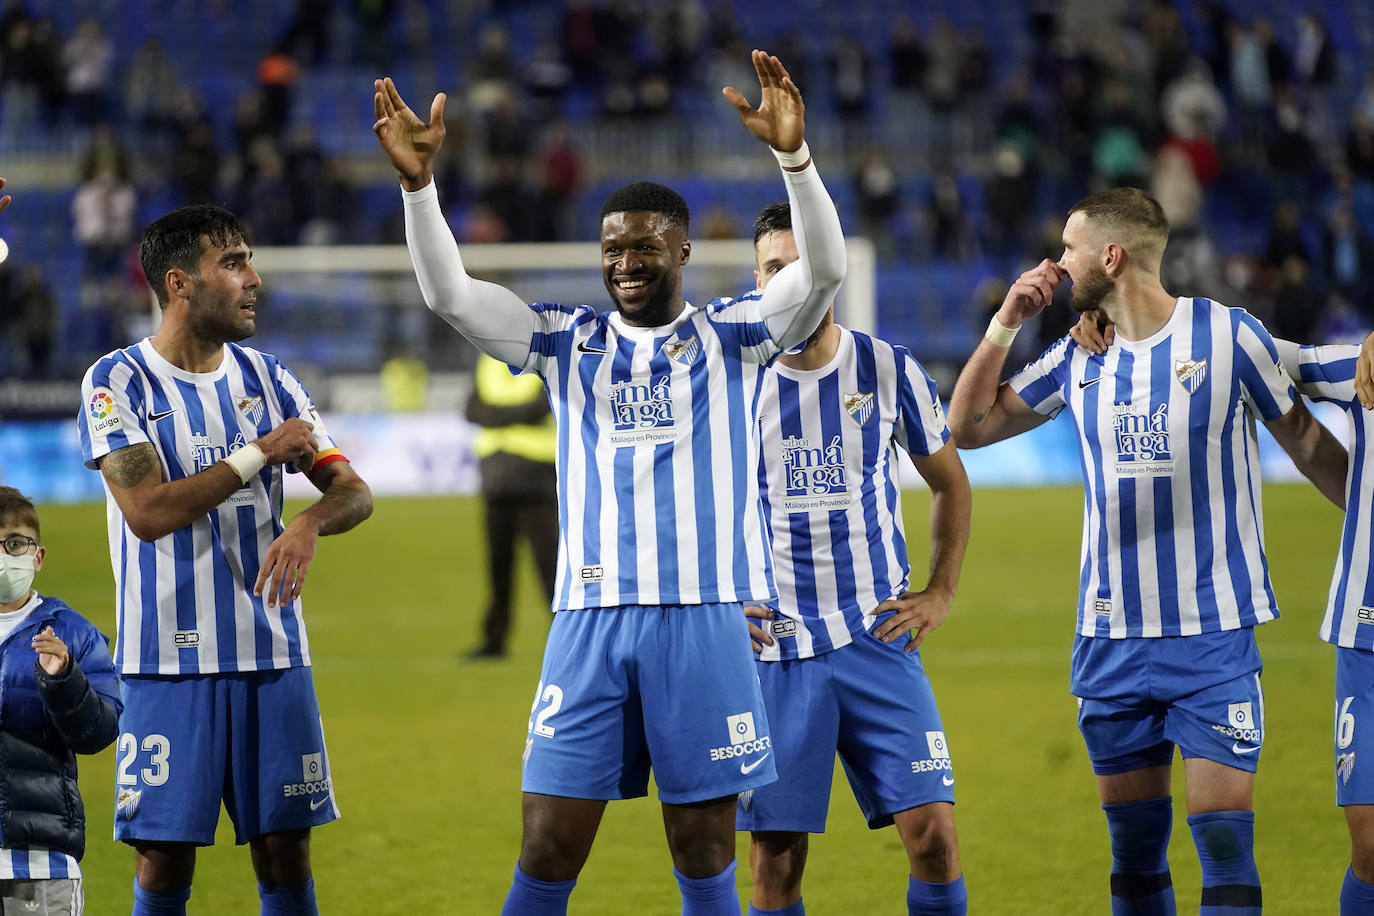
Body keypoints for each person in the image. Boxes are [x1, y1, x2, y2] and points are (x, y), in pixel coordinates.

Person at [372, 49, 846, 916]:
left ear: (684, 251)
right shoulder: (563, 341)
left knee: (703, 847)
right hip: (588, 621)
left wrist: (795, 161)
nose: (625, 262)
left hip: (703, 617)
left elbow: (823, 274)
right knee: (549, 841)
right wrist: (419, 191)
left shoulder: (736, 336)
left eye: (645, 246)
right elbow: (449, 296)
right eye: (612, 248)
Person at [946, 187, 1347, 916]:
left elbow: (1310, 444)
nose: (1058, 265)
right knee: (1133, 853)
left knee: (1225, 845)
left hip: (1212, 636)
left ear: (1111, 255)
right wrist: (1008, 321)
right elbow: (968, 428)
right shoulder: (1076, 354)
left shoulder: (1228, 337)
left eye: (1069, 249)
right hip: (1110, 640)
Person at [77, 204, 374, 916]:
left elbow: (354, 492)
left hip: (273, 655)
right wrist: (258, 454)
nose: (254, 279)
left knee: (285, 847)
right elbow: (146, 513)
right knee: (164, 856)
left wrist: (308, 522)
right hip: (163, 665)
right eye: (233, 262)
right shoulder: (116, 383)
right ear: (179, 283)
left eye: (250, 260)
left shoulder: (270, 379)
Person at [738, 203, 972, 916]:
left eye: (803, 267)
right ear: (756, 280)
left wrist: (940, 590)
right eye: (775, 270)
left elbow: (949, 483)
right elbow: (684, 503)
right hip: (777, 650)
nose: (790, 284)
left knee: (934, 838)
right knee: (776, 864)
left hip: (879, 637)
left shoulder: (886, 367)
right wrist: (715, 602)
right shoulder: (731, 378)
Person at [0, 485, 121, 915]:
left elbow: (100, 732)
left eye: (14, 543)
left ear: (37, 556)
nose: (3, 555)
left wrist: (66, 680)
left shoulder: (73, 634)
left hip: (39, 859)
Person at [465, 351, 558, 659]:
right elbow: (471, 410)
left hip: (537, 479)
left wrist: (496, 416)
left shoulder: (545, 359)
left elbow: (539, 409)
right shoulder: (486, 361)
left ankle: (567, 641)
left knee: (551, 567)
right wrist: (510, 415)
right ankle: (494, 641)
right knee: (498, 567)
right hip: (498, 477)